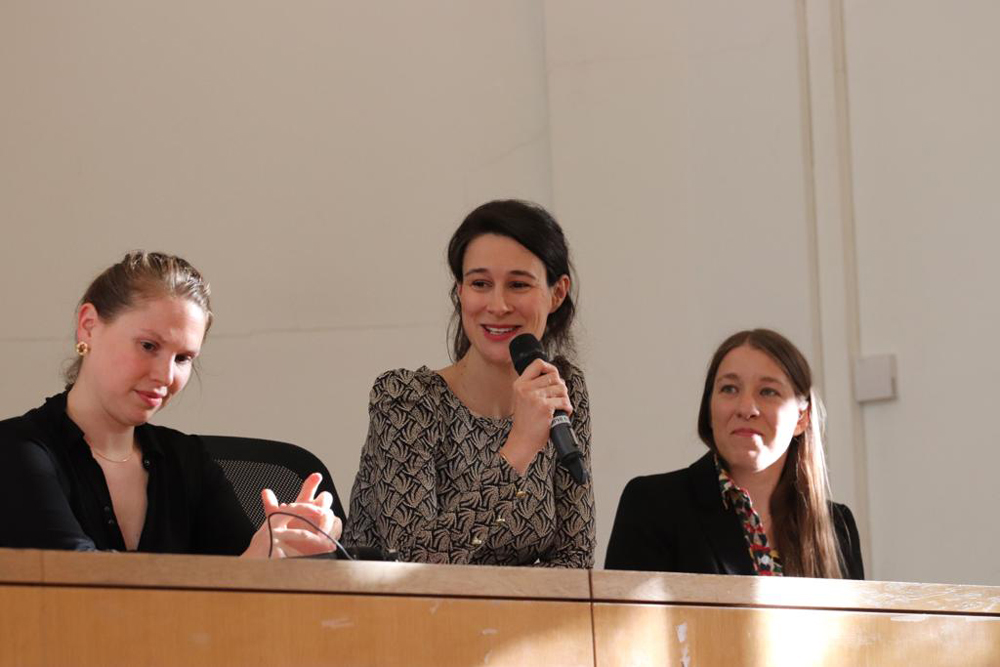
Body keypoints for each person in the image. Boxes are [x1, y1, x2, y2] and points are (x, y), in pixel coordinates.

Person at [0, 251, 340, 558]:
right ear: (88, 326)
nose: (165, 375)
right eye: (148, 346)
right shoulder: (16, 450)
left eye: (183, 358)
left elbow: (244, 580)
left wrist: (289, 547)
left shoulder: (187, 460)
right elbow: (81, 592)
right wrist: (254, 564)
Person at [343, 200, 595, 566]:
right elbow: (413, 560)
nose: (498, 304)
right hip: (402, 618)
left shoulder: (562, 388)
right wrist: (519, 446)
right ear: (460, 292)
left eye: (518, 285)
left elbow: (576, 556)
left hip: (518, 619)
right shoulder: (406, 398)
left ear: (557, 293)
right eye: (480, 283)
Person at [605, 328, 864, 578]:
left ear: (802, 417)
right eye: (729, 389)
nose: (746, 408)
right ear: (709, 408)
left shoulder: (837, 527)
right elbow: (625, 623)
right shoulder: (652, 505)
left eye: (768, 391)